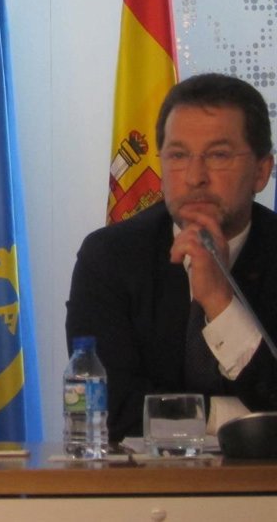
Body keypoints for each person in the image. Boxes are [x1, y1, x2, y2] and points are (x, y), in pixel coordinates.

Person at [66, 73, 277, 441]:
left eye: (218, 155)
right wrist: (240, 418)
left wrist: (220, 303)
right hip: (144, 478)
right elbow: (109, 410)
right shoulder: (110, 257)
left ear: (262, 171)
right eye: (178, 156)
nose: (195, 177)